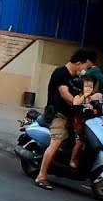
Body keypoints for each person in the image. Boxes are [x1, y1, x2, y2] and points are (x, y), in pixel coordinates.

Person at [35, 49, 97, 190]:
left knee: (82, 139)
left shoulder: (79, 78)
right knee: (56, 142)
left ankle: (71, 165)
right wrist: (79, 102)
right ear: (79, 63)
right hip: (58, 114)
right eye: (86, 66)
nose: (86, 70)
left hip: (73, 116)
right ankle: (41, 176)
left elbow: (86, 95)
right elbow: (65, 94)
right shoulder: (61, 73)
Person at [69, 77, 103, 168]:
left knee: (86, 143)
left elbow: (96, 110)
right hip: (79, 123)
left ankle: (80, 160)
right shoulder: (79, 96)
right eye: (86, 86)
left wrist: (93, 109)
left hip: (89, 124)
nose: (89, 89)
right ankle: (72, 160)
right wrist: (84, 97)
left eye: (91, 87)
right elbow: (75, 103)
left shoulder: (92, 99)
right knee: (79, 142)